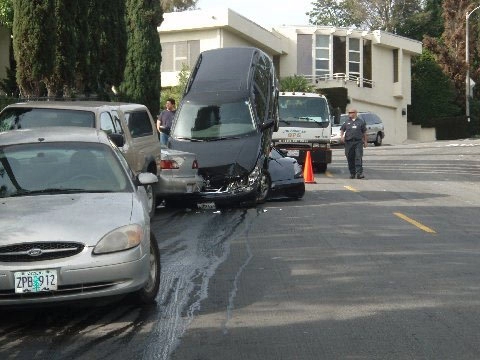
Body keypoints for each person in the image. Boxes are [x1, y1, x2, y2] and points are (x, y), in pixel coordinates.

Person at [340, 108, 367, 179]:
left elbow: (364, 132)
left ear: (355, 113)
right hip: (349, 142)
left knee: (358, 157)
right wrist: (342, 136)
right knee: (350, 157)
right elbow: (342, 129)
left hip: (358, 142)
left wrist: (365, 141)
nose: (350, 114)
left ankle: (359, 173)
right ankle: (352, 173)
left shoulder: (360, 122)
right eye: (349, 113)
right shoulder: (347, 122)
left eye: (351, 112)